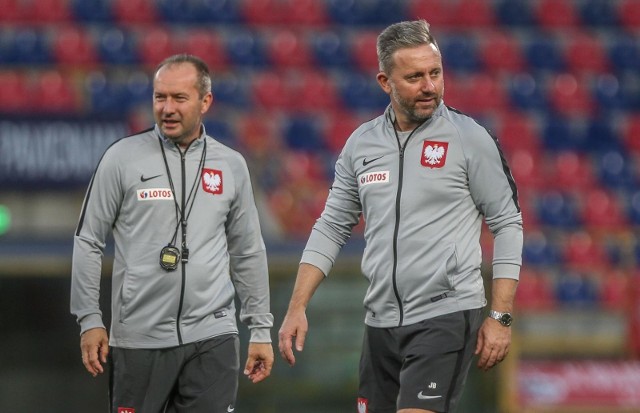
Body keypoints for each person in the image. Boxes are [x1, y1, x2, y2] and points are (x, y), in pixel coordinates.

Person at [278, 20, 522, 413]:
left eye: (435, 73)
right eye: (414, 77)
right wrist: (297, 306)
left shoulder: (469, 138)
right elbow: (331, 226)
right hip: (380, 322)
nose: (429, 86)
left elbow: (508, 222)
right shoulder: (362, 144)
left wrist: (501, 315)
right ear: (384, 81)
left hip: (446, 312)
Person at [70, 54, 274, 413]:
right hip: (139, 339)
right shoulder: (122, 158)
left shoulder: (231, 165)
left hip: (213, 334)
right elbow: (88, 240)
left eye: (179, 98)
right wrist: (89, 318)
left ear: (205, 101)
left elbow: (247, 251)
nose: (167, 108)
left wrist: (259, 328)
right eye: (159, 97)